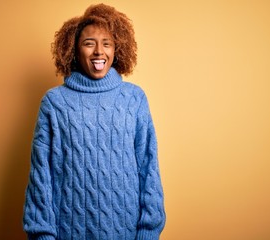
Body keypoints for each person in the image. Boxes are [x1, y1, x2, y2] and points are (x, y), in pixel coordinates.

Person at [23, 3, 166, 240]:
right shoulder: (54, 103)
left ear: (117, 49)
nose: (99, 51)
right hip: (67, 233)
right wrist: (42, 235)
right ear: (73, 50)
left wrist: (148, 232)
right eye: (89, 43)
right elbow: (41, 175)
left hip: (127, 233)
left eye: (107, 43)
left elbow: (148, 167)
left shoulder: (134, 99)